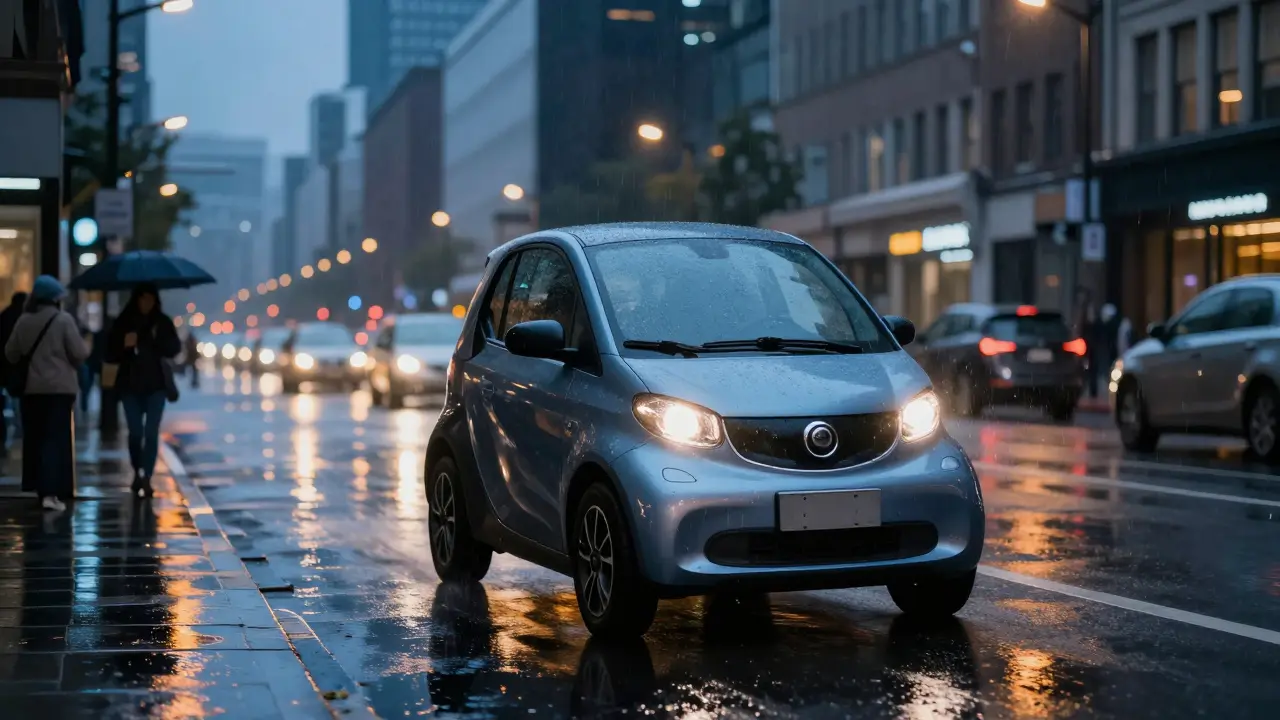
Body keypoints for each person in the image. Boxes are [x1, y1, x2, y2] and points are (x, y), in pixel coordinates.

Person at [3, 277, 89, 511]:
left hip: (31, 390)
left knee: (36, 439)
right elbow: (79, 353)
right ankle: (51, 493)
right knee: (54, 439)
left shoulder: (24, 320)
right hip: (59, 391)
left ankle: (39, 488)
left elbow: (10, 353)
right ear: (54, 299)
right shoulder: (63, 320)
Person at [106, 284, 181, 497]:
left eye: (150, 299)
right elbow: (110, 354)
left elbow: (175, 349)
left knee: (151, 432)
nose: (146, 303)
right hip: (130, 386)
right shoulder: (124, 322)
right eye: (142, 299)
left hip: (156, 386)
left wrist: (156, 341)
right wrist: (125, 345)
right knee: (135, 432)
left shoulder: (162, 322)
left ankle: (147, 476)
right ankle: (136, 471)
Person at [0, 291, 29, 457]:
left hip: (4, 368)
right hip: (18, 368)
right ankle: (19, 425)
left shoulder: (4, 316)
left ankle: (7, 431)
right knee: (20, 399)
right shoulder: (24, 319)